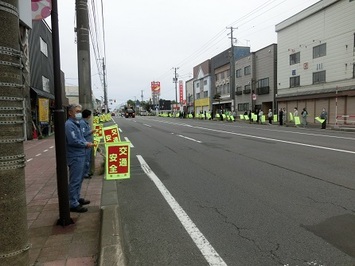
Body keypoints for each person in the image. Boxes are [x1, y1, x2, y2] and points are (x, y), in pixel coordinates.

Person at [65, 104, 93, 213]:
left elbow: (79, 137)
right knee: (75, 180)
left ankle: (76, 198)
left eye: (80, 111)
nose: (79, 113)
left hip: (81, 154)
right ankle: (73, 203)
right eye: (77, 111)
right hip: (75, 155)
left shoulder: (76, 123)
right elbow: (73, 141)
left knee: (80, 178)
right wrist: (86, 144)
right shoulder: (69, 125)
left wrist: (86, 144)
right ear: (70, 113)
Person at [81, 109, 95, 179]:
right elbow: (83, 133)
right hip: (86, 143)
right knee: (86, 159)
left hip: (88, 143)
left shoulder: (84, 122)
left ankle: (87, 172)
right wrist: (90, 132)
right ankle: (85, 173)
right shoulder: (83, 123)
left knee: (87, 159)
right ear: (88, 116)